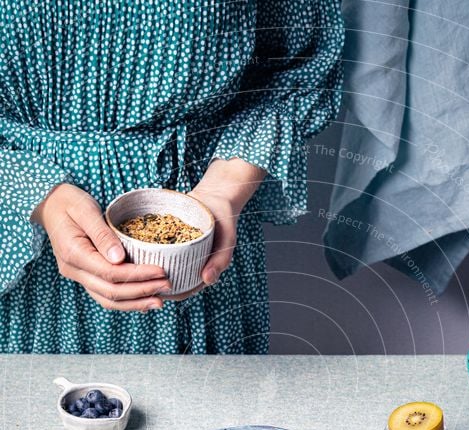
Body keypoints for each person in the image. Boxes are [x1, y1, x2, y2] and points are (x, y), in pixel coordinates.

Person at [0, 1, 343, 354]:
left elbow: (298, 69)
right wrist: (39, 195)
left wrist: (224, 189)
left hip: (198, 247)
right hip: (23, 248)